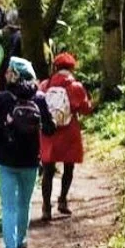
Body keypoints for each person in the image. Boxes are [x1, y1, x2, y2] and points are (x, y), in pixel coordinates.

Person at [0, 55, 54, 248]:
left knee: (8, 207)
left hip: (6, 161)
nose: (6, 74)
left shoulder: (3, 99)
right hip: (31, 161)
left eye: (9, 71)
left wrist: (1, 143)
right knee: (24, 203)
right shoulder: (40, 99)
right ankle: (21, 241)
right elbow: (51, 129)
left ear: (15, 74)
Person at [39, 51, 94, 220]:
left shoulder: (45, 85)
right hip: (69, 132)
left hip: (49, 132)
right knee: (68, 168)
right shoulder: (75, 87)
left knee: (48, 171)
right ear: (72, 68)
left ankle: (46, 207)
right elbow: (85, 109)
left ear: (55, 67)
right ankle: (62, 200)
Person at [0, 8, 22, 90]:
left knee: (2, 86)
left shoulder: (1, 33)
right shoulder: (22, 34)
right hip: (18, 64)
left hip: (2, 65)